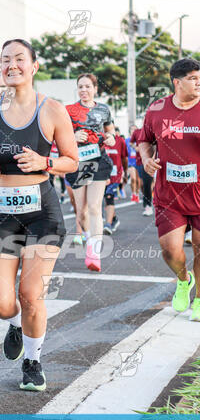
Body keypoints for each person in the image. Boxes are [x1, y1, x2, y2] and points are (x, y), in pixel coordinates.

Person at [0, 39, 78, 391]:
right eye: (5, 60)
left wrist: (45, 162)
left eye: (19, 59)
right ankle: (14, 323)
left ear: (34, 66)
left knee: (31, 294)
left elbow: (71, 160)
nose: (12, 65)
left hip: (41, 210)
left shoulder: (53, 110)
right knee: (0, 304)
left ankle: (32, 362)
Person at [139, 58, 200, 321]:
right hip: (169, 194)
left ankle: (199, 301)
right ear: (177, 82)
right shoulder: (157, 108)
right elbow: (144, 140)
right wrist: (146, 159)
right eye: (193, 78)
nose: (198, 82)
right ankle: (183, 279)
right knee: (170, 250)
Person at [65, 73, 115, 272]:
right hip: (78, 163)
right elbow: (58, 136)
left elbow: (111, 130)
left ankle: (94, 252)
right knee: (82, 211)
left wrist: (110, 137)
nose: (84, 90)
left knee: (95, 206)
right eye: (80, 87)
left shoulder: (103, 109)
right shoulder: (68, 110)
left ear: (95, 89)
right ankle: (88, 239)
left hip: (98, 160)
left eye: (87, 86)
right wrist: (73, 136)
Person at [103, 128, 128, 235]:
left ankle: (108, 225)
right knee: (103, 198)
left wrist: (125, 172)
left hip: (114, 175)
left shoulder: (120, 141)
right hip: (101, 174)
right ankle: (114, 219)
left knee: (109, 197)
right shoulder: (97, 138)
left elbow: (124, 158)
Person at [131, 125, 153, 216]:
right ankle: (147, 202)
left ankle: (148, 205)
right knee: (143, 184)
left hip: (152, 161)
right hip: (140, 162)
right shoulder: (137, 132)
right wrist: (136, 147)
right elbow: (131, 143)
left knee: (148, 183)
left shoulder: (153, 130)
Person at [126, 125, 140, 203]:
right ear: (130, 131)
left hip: (138, 162)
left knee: (138, 180)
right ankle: (133, 194)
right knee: (133, 179)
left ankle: (137, 194)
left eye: (135, 129)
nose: (133, 131)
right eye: (132, 129)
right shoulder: (127, 140)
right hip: (130, 162)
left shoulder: (139, 140)